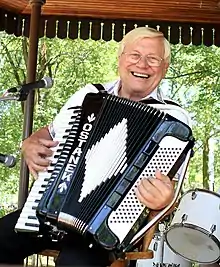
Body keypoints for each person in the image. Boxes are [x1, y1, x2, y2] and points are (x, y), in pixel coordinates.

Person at [0, 26, 175, 266]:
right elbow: (50, 132)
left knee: (75, 263)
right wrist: (30, 142)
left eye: (153, 59)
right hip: (51, 209)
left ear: (164, 68)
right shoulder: (89, 94)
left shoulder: (172, 121)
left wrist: (163, 201)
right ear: (121, 59)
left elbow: (169, 189)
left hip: (108, 229)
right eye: (134, 55)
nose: (142, 64)